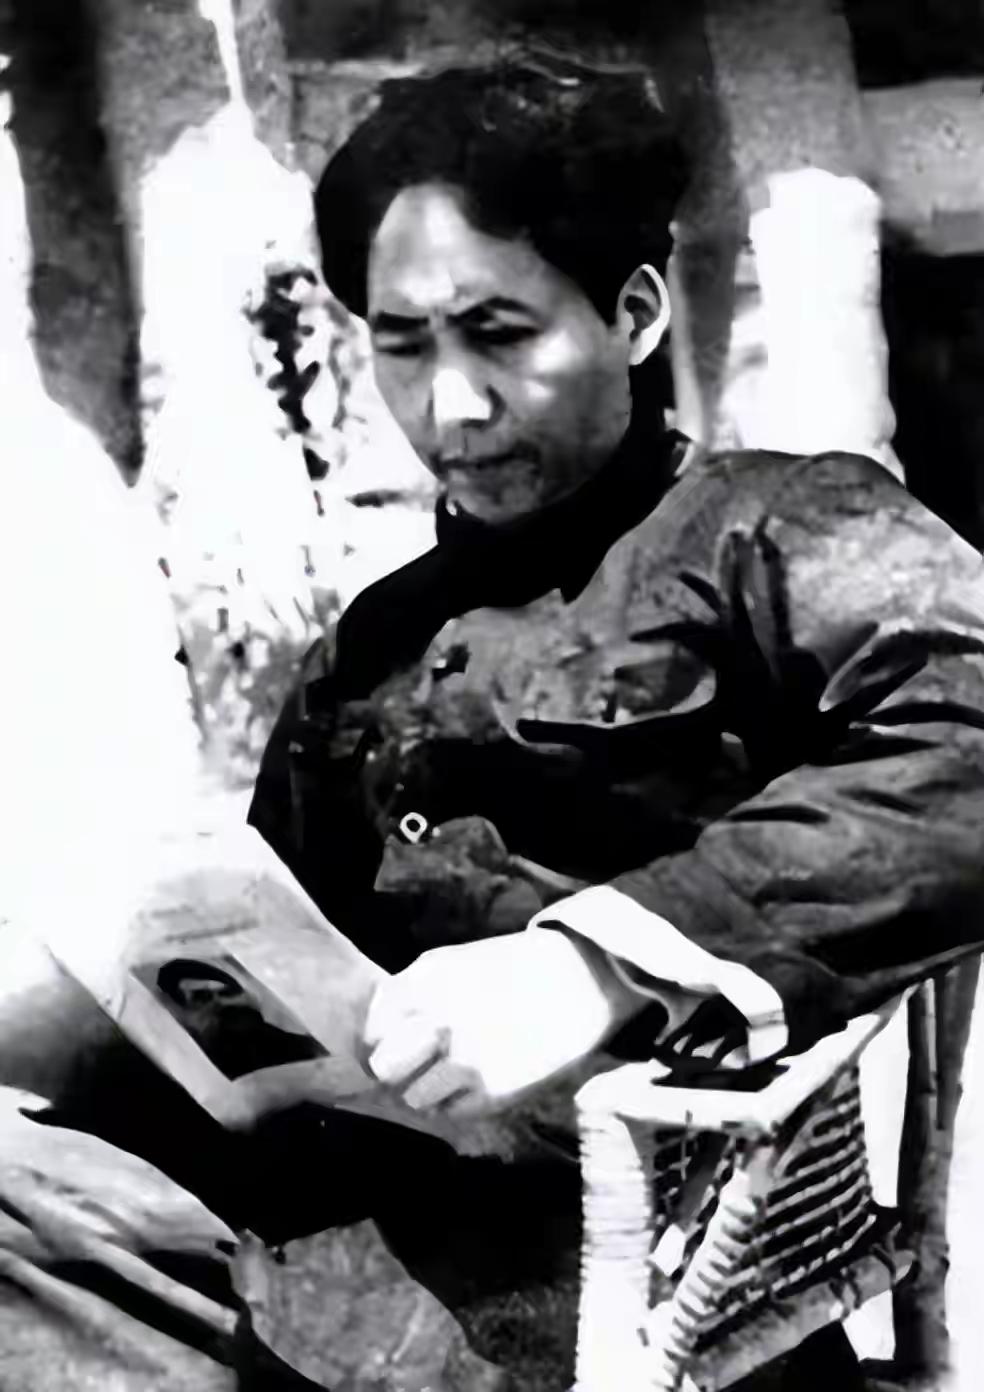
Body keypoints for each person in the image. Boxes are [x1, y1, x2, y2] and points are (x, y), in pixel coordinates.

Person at [243, 59, 984, 1389]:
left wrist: (598, 964)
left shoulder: (772, 528)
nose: (451, 405)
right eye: (403, 345)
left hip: (621, 1267)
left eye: (500, 332)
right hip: (341, 1217)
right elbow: (266, 940)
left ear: (635, 313)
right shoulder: (373, 637)